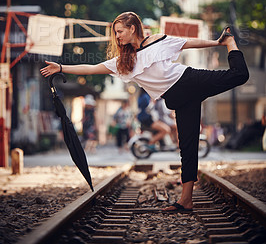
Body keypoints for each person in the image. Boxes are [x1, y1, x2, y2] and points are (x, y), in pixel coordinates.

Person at [40, 11, 249, 213]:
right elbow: (91, 68)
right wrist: (61, 67)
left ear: (132, 28)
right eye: (116, 32)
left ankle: (231, 43)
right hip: (181, 101)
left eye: (120, 31)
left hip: (189, 81)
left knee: (239, 75)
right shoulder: (124, 62)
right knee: (187, 146)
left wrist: (219, 42)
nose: (117, 36)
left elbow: (188, 43)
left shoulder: (157, 40)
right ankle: (186, 200)